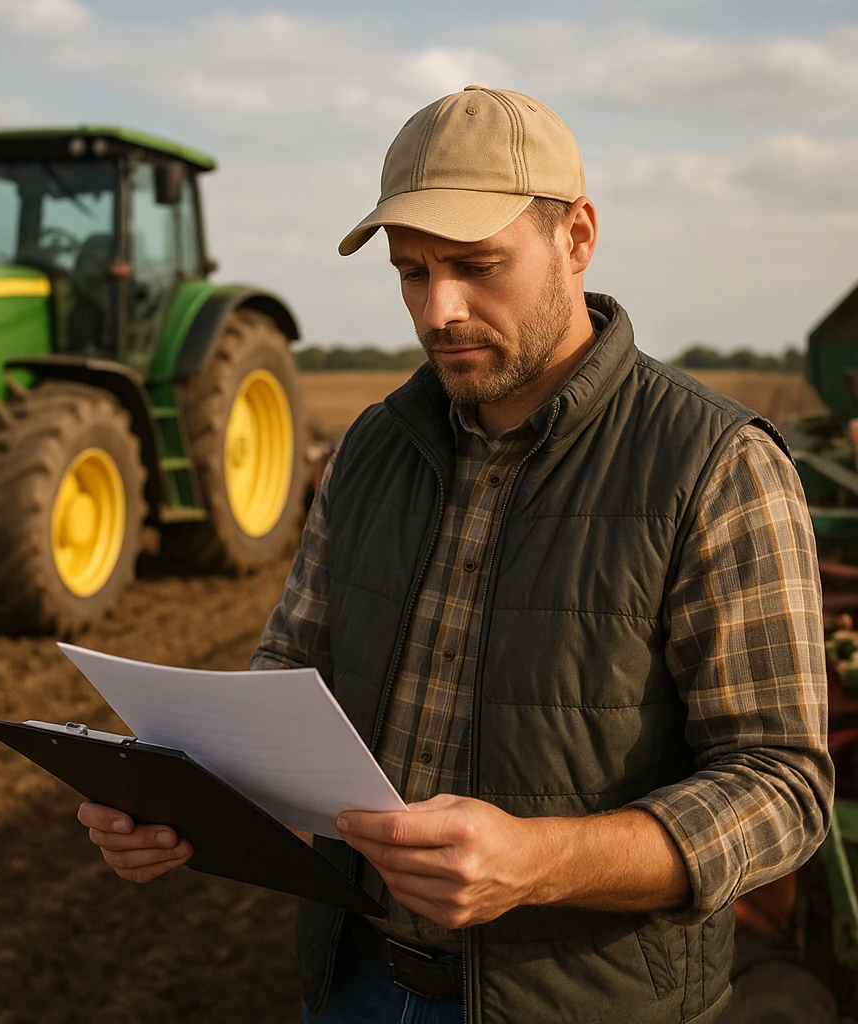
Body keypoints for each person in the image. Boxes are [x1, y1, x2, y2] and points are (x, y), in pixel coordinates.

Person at [77, 86, 834, 1024]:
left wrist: (540, 862)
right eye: (411, 271)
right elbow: (288, 671)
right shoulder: (369, 447)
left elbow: (782, 788)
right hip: (352, 980)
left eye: (479, 266)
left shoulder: (715, 464)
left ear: (578, 235)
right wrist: (176, 798)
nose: (439, 310)